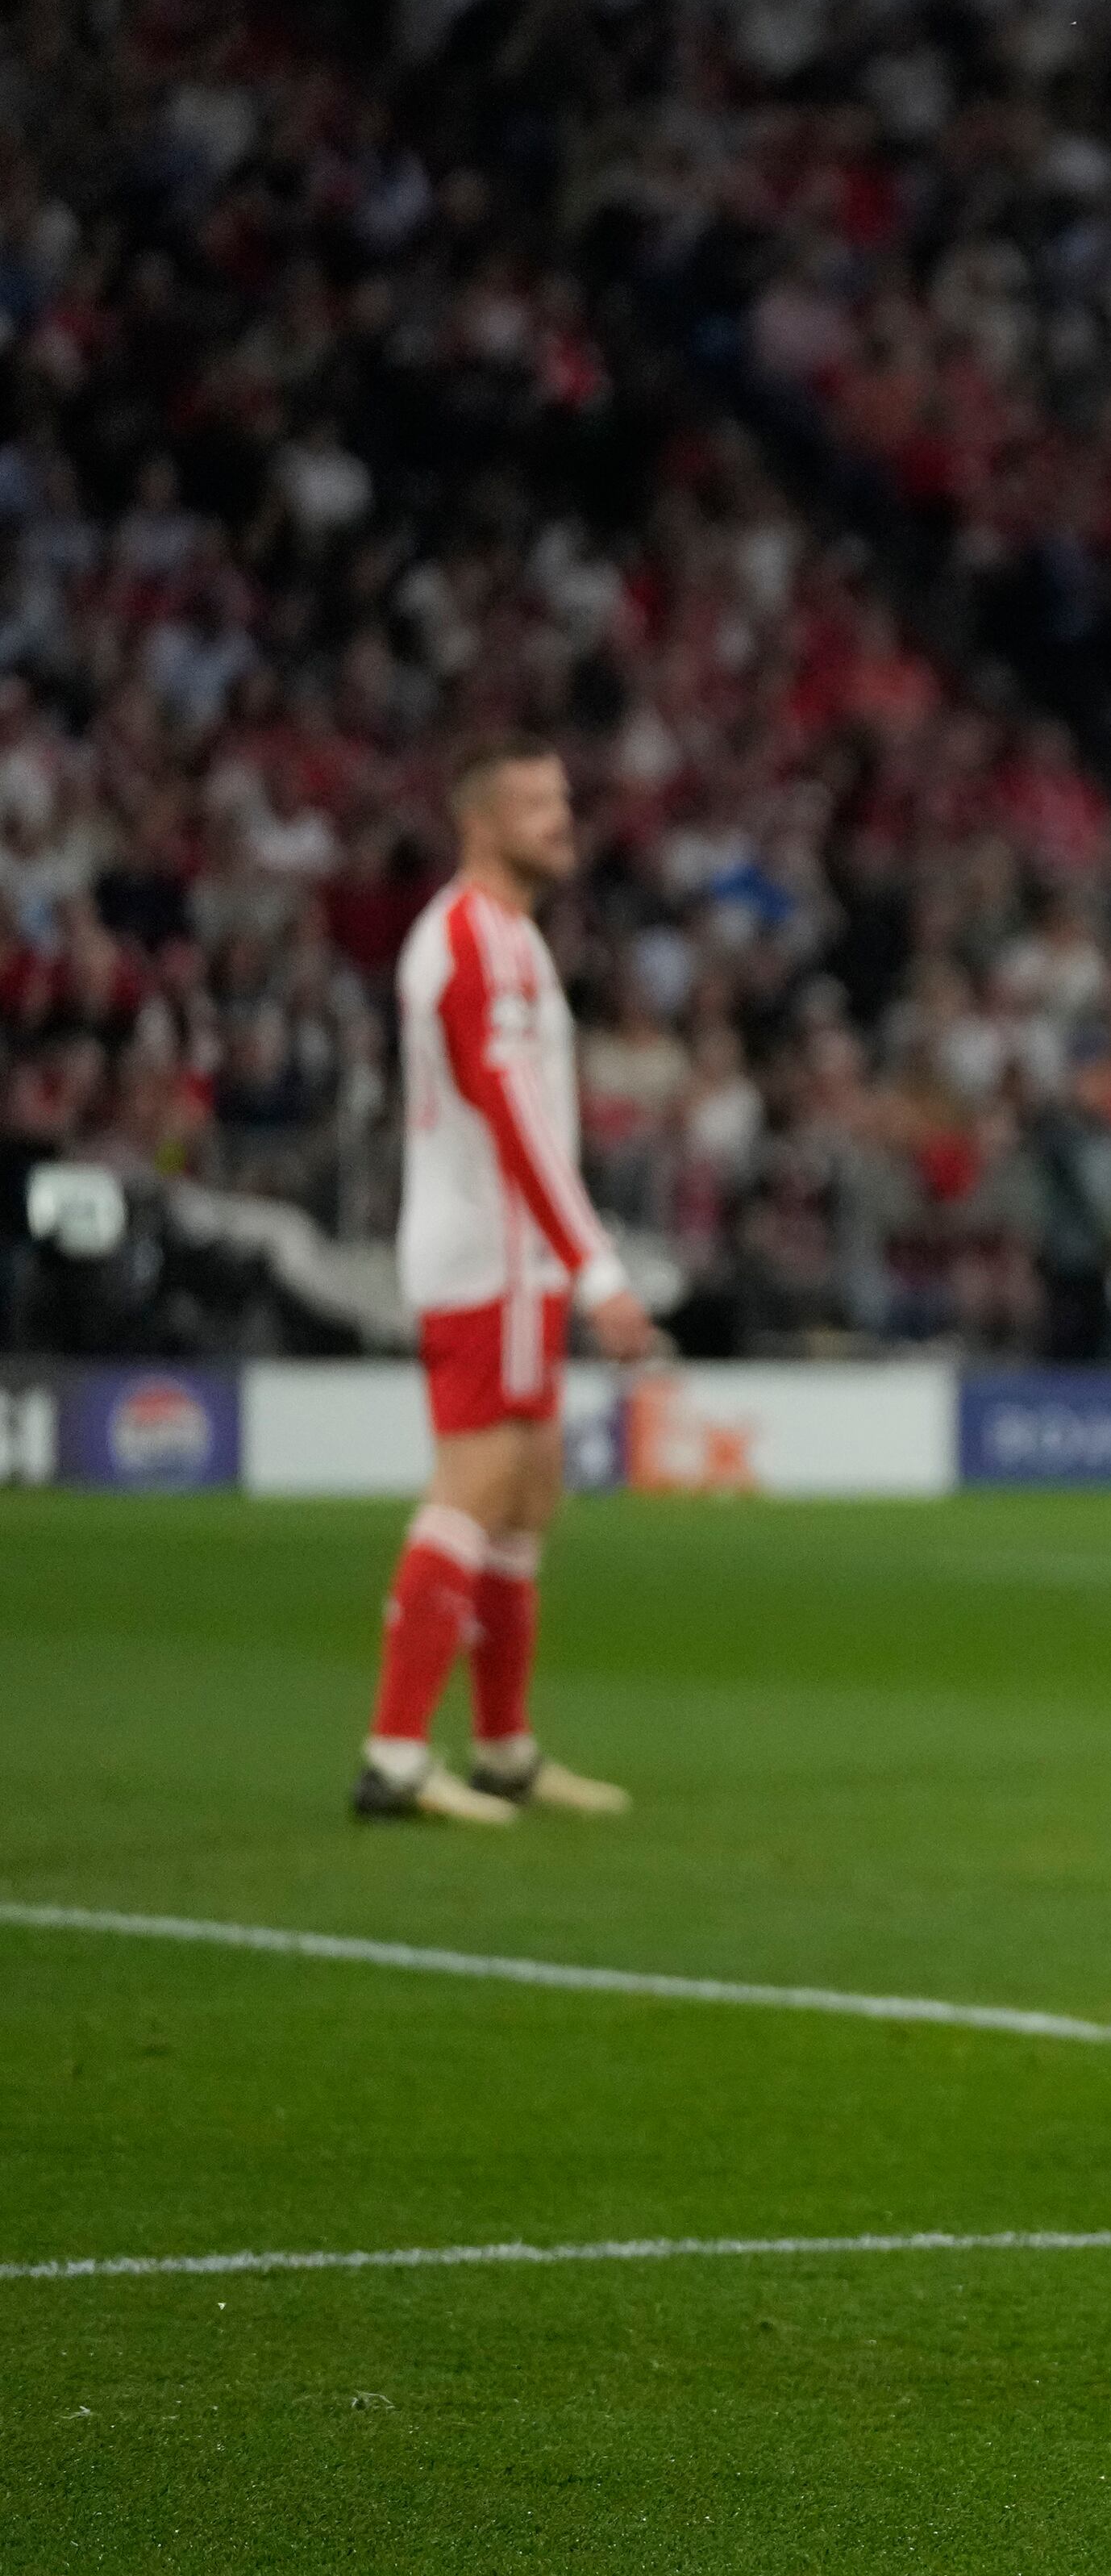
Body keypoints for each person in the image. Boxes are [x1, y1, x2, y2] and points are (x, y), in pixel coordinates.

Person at [355, 734, 654, 1825]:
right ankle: (392, 1755)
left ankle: (504, 1748)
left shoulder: (507, 935)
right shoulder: (478, 941)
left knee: (528, 1489)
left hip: (511, 1256)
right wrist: (599, 1268)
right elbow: (513, 1114)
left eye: (562, 797)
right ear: (478, 820)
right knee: (476, 1481)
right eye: (536, 802)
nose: (560, 818)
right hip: (487, 1252)